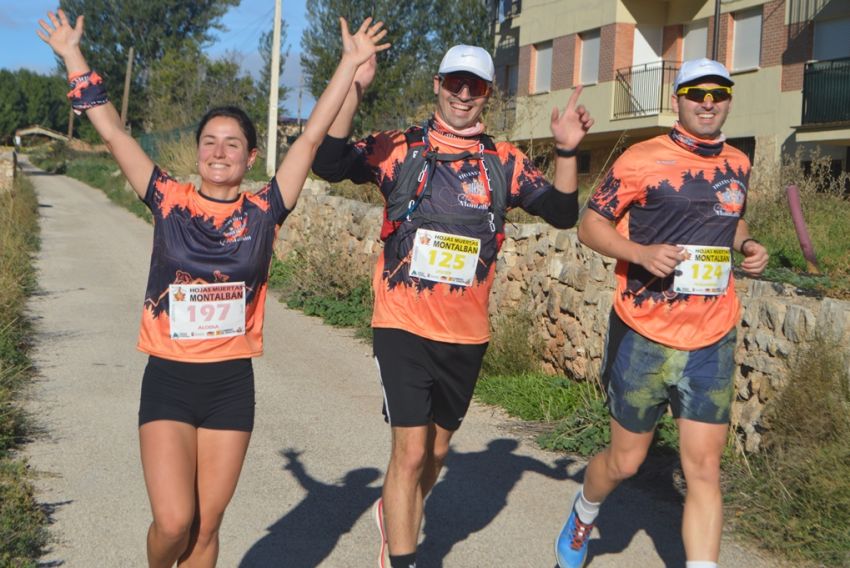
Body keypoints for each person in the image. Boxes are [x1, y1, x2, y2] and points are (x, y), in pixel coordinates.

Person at [37, 9, 389, 567]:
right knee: (174, 523)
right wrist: (72, 55)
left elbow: (314, 134)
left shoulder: (265, 210)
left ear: (251, 156)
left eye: (232, 144)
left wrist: (347, 65)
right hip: (170, 381)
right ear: (197, 151)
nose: (219, 151)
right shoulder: (167, 198)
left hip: (230, 384)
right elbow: (111, 129)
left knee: (206, 527)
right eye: (209, 141)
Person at [312, 44, 593, 568]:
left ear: (488, 95)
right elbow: (329, 162)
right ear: (437, 84)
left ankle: (396, 514)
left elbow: (560, 212)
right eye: (456, 83)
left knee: (437, 453)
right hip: (401, 320)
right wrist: (354, 86)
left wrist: (567, 152)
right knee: (411, 451)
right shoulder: (400, 147)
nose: (464, 94)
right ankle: (402, 556)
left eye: (477, 86)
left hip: (465, 332)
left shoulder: (503, 160)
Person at [555, 58, 769, 568]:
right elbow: (590, 226)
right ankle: (585, 512)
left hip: (712, 334)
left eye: (719, 93)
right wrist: (642, 254)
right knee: (626, 462)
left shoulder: (738, 162)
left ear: (729, 100)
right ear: (677, 100)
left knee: (704, 469)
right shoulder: (639, 158)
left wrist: (748, 244)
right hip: (644, 333)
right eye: (697, 93)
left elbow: (726, 220)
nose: (708, 102)